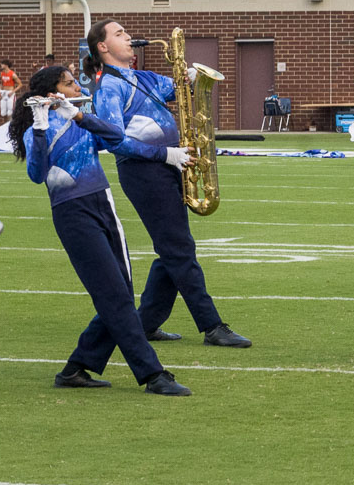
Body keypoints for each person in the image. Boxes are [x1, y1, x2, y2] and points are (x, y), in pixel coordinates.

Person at [8, 66, 191, 395]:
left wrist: (78, 115)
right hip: (72, 214)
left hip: (104, 208)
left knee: (120, 293)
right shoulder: (38, 129)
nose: (77, 85)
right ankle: (153, 374)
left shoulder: (80, 118)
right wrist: (40, 124)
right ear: (52, 91)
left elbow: (116, 138)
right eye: (69, 82)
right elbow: (37, 173)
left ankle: (76, 368)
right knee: (115, 298)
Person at [85, 18, 251, 347]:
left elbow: (179, 89)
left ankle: (146, 322)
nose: (129, 37)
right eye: (119, 34)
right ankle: (212, 325)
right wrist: (166, 154)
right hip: (143, 171)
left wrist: (190, 79)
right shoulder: (108, 87)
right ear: (103, 47)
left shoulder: (142, 77)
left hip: (167, 165)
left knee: (172, 249)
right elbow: (113, 141)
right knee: (178, 248)